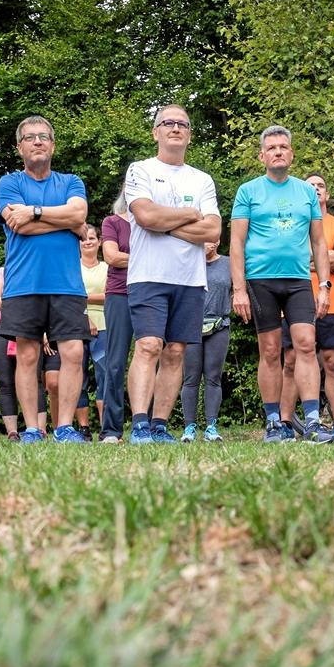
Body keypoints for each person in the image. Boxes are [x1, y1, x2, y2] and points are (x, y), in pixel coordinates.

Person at [230, 125, 334, 444]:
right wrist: (238, 289)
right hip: (260, 281)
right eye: (272, 147)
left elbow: (318, 243)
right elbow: (236, 242)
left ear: (291, 154)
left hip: (299, 281)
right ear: (262, 156)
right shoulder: (248, 191)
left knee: (305, 343)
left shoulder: (306, 192)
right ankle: (275, 423)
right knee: (271, 350)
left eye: (283, 147)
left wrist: (324, 286)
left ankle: (314, 421)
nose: (278, 151)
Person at [124, 104, 222, 444]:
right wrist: (186, 216)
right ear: (156, 132)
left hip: (190, 279)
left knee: (176, 351)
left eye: (182, 124)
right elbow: (146, 216)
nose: (175, 128)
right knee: (149, 345)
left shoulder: (202, 179)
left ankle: (160, 425)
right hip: (148, 275)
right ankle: (139, 424)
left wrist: (167, 226)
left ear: (190, 135)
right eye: (168, 123)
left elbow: (212, 231)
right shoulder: (140, 170)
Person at [0, 115, 90, 444]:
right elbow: (18, 226)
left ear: (53, 144)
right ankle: (33, 428)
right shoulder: (9, 183)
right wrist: (64, 220)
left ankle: (64, 427)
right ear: (20, 147)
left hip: (67, 284)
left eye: (44, 136)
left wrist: (34, 212)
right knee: (28, 356)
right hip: (23, 283)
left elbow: (79, 215)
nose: (38, 141)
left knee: (74, 353)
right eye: (31, 137)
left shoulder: (71, 181)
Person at [279, 173, 334, 441]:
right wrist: (324, 258)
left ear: (327, 194)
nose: (316, 189)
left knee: (333, 361)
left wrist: (307, 259)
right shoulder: (291, 223)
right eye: (310, 186)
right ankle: (285, 424)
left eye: (321, 185)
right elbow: (285, 257)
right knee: (290, 361)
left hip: (331, 302)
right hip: (290, 302)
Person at [180, 241, 232, 442]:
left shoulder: (228, 263)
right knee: (190, 378)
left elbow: (239, 288)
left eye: (211, 239)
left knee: (213, 377)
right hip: (191, 325)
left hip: (219, 325)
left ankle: (211, 426)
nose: (207, 243)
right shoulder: (188, 262)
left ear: (219, 241)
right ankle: (189, 428)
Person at [99, 190, 133, 443]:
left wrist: (130, 259)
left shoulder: (152, 222)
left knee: (153, 355)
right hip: (120, 294)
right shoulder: (112, 222)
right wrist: (150, 259)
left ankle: (150, 425)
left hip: (152, 292)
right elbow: (111, 256)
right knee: (115, 362)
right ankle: (111, 429)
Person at [78, 223, 108, 438]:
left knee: (104, 377)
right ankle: (83, 428)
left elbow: (111, 296)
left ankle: (106, 428)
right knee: (78, 378)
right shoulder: (70, 266)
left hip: (106, 327)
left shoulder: (108, 267)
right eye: (83, 238)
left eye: (91, 238)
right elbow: (66, 298)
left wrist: (82, 297)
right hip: (75, 327)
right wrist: (85, 316)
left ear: (99, 242)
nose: (87, 242)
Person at [0, 265, 20, 440]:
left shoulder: (34, 268)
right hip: (1, 330)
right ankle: (12, 432)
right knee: (6, 382)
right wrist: (21, 305)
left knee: (34, 381)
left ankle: (37, 430)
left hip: (28, 331)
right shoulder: (2, 271)